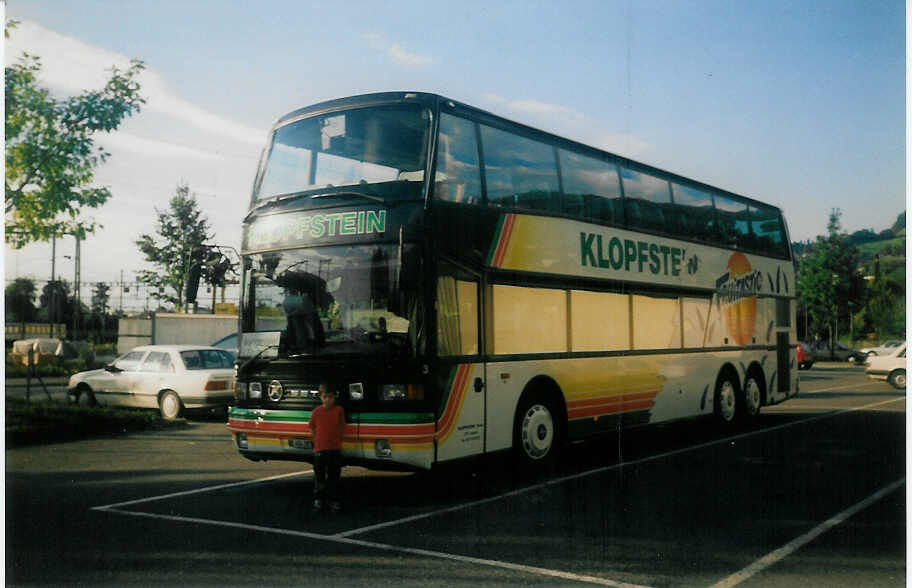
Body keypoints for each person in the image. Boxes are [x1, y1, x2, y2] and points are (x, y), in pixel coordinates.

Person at [309, 383, 345, 512]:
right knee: (319, 478)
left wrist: (339, 438)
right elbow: (311, 426)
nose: (327, 400)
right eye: (325, 397)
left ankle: (333, 500)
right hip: (320, 450)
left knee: (334, 477)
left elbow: (341, 426)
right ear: (320, 397)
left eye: (330, 397)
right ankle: (319, 499)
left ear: (334, 397)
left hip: (335, 449)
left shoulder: (339, 410)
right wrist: (316, 440)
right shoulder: (317, 411)